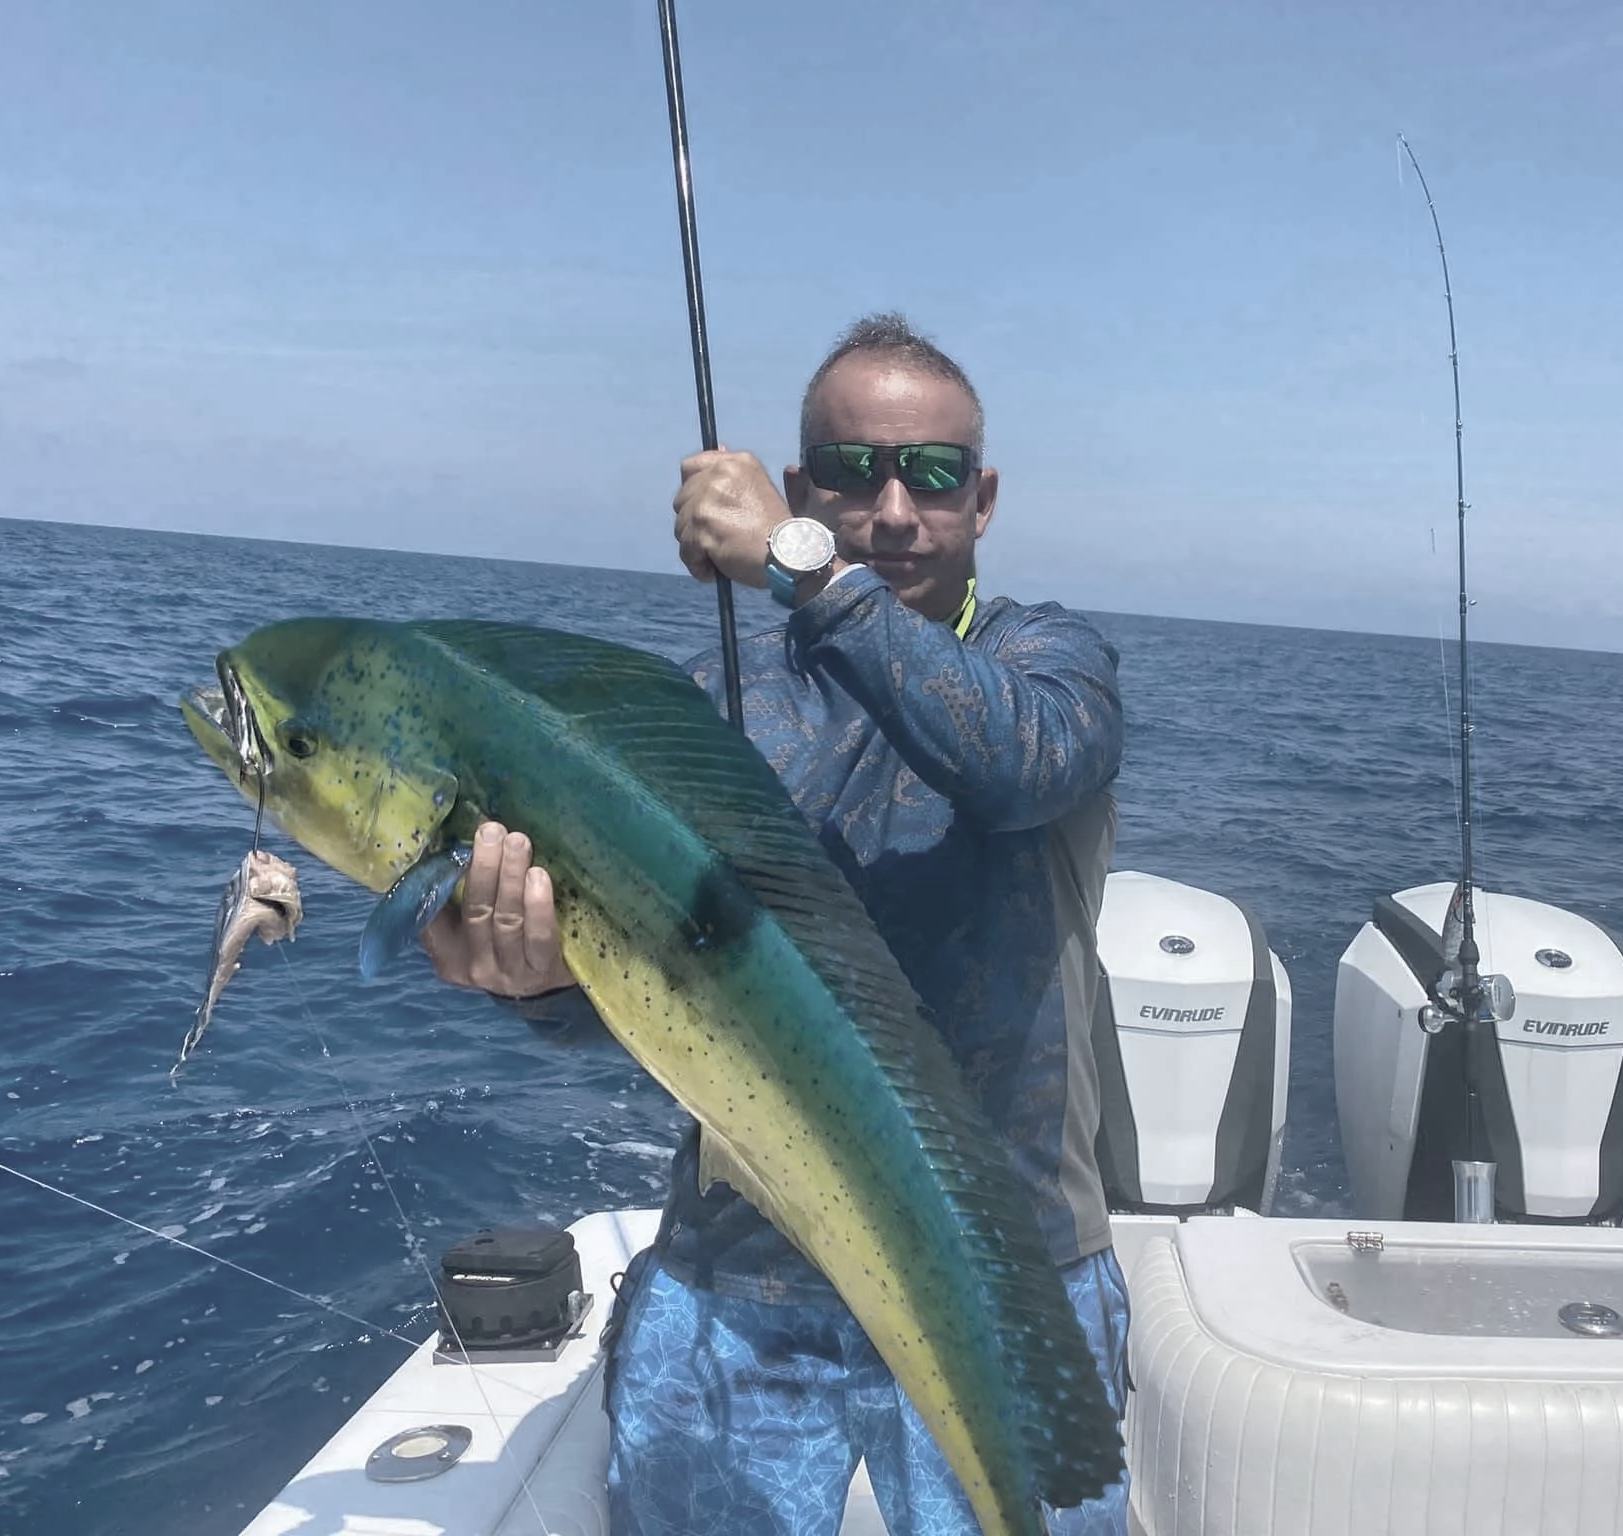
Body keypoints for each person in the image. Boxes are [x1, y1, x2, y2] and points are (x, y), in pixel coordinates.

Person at [420, 312, 1129, 1535]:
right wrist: (528, 980)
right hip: (739, 1278)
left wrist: (802, 564)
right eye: (852, 475)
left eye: (935, 472)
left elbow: (1015, 766)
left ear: (985, 497)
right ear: (802, 482)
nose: (895, 507)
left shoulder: (1047, 663)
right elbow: (648, 1004)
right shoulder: (705, 723)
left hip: (1002, 1275)